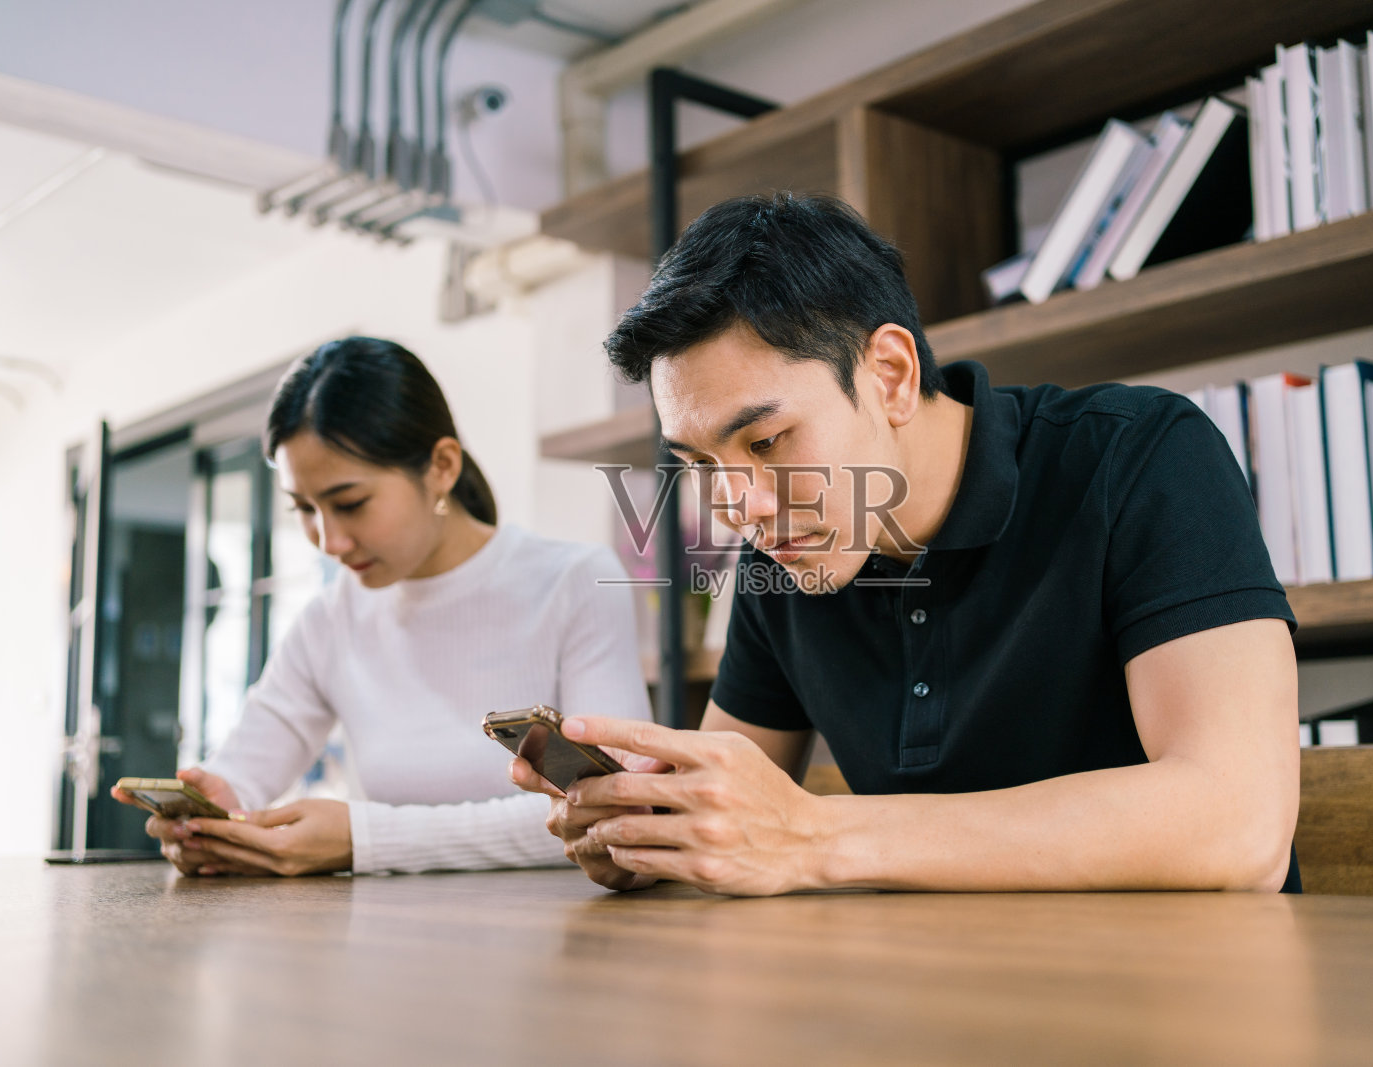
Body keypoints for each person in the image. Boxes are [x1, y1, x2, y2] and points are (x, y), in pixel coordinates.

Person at [513, 193, 1301, 896]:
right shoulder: (781, 557)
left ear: (889, 373)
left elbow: (1238, 824)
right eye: (700, 465)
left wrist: (816, 836)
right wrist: (649, 830)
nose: (739, 509)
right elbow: (728, 800)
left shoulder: (1140, 455)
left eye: (767, 440)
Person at [113, 336, 650, 876]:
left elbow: (618, 807)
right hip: (382, 939)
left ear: (441, 466)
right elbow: (242, 771)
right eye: (304, 508)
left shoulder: (576, 581)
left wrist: (364, 838)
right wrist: (210, 813)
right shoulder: (328, 620)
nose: (328, 541)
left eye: (350, 504)